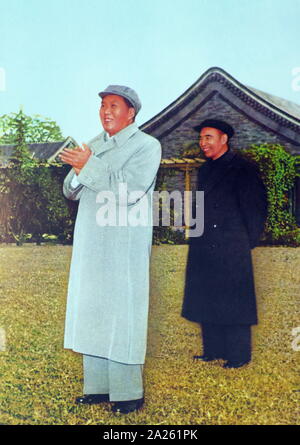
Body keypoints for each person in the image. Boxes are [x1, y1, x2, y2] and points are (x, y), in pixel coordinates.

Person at [60, 85, 161, 413]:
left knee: (122, 312)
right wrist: (78, 173)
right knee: (93, 310)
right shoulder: (93, 144)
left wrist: (88, 166)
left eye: (113, 105)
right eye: (103, 105)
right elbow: (70, 190)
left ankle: (129, 392)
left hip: (123, 243)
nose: (105, 111)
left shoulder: (146, 146)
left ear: (131, 112)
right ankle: (98, 387)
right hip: (91, 240)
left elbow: (130, 190)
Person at [182, 119, 268, 369]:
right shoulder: (205, 169)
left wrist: (245, 241)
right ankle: (213, 350)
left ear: (224, 139)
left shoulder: (243, 168)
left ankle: (239, 355)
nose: (203, 143)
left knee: (234, 298)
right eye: (201, 138)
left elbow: (256, 208)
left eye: (208, 137)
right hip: (204, 242)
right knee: (207, 295)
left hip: (231, 244)